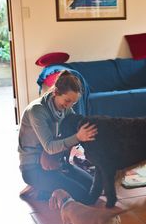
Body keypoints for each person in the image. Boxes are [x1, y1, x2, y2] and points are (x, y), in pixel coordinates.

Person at [18, 70, 99, 205]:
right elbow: (49, 147)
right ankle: (39, 185)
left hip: (55, 162)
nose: (68, 106)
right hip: (33, 168)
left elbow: (75, 122)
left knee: (94, 187)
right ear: (55, 92)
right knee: (87, 197)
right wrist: (78, 137)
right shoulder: (37, 111)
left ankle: (46, 187)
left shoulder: (64, 107)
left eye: (73, 103)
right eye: (67, 101)